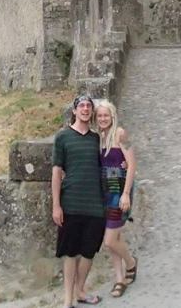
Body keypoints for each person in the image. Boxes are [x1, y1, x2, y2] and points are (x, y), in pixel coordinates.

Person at [52, 94, 106, 307]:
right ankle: (67, 301)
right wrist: (56, 205)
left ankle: (81, 291)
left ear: (91, 112)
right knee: (70, 252)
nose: (85, 109)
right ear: (74, 111)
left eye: (88, 106)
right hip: (71, 203)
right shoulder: (62, 137)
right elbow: (56, 172)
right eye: (81, 106)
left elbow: (113, 156)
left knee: (89, 252)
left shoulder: (97, 139)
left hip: (95, 203)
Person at [95, 99, 138, 298]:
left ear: (112, 116)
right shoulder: (99, 138)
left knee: (110, 240)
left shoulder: (121, 134)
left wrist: (126, 193)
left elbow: (131, 165)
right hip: (105, 192)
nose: (103, 119)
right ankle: (119, 280)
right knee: (115, 237)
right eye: (100, 115)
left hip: (119, 191)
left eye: (106, 115)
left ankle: (131, 263)